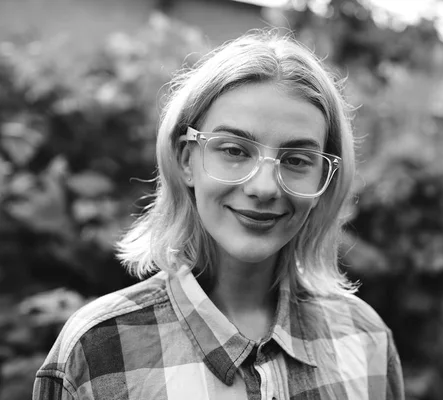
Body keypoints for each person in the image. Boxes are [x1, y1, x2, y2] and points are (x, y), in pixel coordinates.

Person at [33, 31, 405, 400]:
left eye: (295, 160)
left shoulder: (364, 339)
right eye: (234, 150)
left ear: (325, 178)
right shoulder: (97, 350)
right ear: (186, 160)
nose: (265, 187)